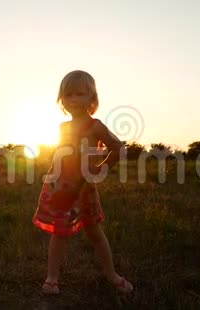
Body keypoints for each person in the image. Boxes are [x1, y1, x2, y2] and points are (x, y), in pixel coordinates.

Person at [32, 70, 134, 295]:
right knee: (58, 233)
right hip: (61, 186)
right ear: (61, 100)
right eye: (68, 95)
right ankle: (52, 279)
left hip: (84, 188)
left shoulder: (95, 126)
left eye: (80, 94)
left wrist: (102, 167)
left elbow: (119, 148)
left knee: (94, 232)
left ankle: (111, 275)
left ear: (92, 98)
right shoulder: (62, 128)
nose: (74, 100)